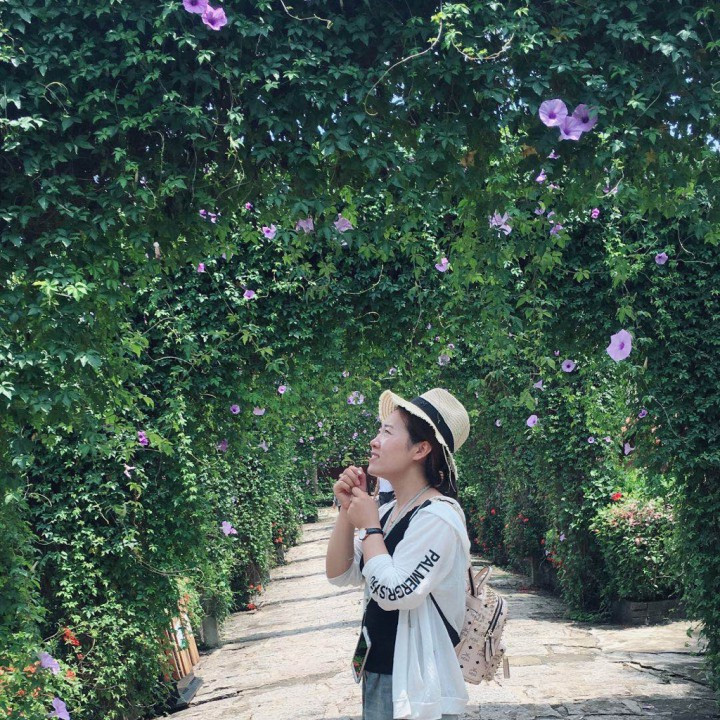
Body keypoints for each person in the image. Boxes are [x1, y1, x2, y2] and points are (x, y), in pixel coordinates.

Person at [325, 388, 472, 720]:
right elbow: (339, 573)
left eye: (387, 432)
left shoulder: (438, 517)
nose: (374, 442)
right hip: (379, 668)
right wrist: (347, 511)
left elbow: (396, 592)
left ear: (420, 449)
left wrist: (370, 527)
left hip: (416, 687)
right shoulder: (389, 511)